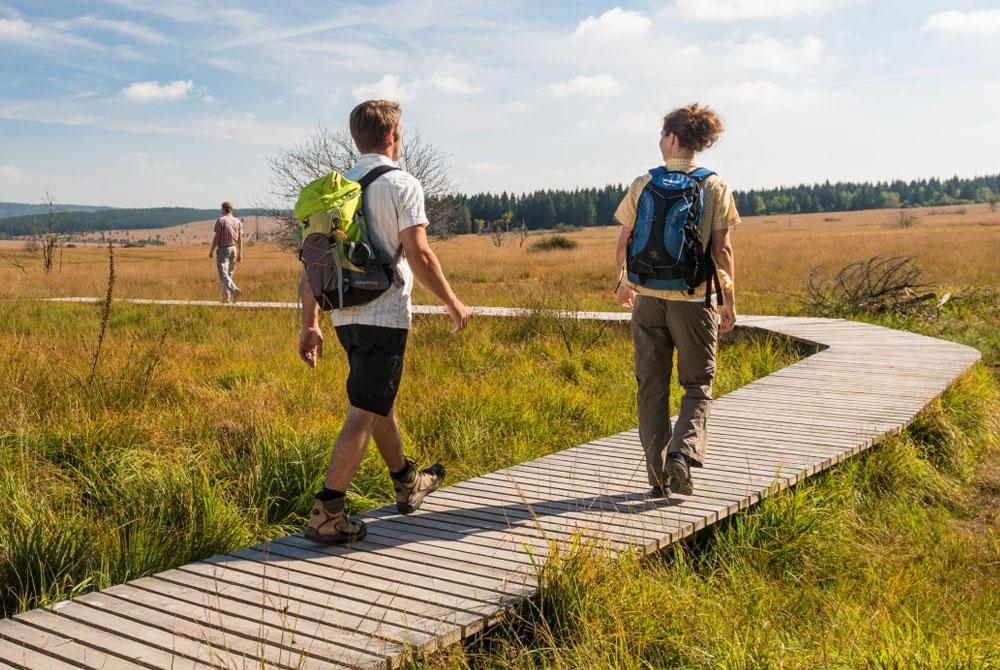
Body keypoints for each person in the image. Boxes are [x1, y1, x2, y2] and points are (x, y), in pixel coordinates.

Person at [298, 99, 469, 545]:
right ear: (393, 136)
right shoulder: (402, 184)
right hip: (386, 315)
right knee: (364, 410)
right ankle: (328, 511)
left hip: (343, 315)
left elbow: (313, 263)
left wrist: (310, 322)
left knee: (378, 403)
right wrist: (452, 302)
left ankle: (406, 482)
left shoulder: (336, 188)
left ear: (357, 138)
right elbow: (419, 252)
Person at [614, 103, 739, 497]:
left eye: (661, 135)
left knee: (651, 386)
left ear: (670, 138)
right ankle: (682, 457)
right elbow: (723, 251)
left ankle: (658, 479)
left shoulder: (642, 184)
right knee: (698, 385)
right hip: (693, 300)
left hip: (647, 299)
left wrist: (623, 283)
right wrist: (729, 301)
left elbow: (624, 240)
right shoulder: (714, 185)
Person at [209, 201, 243, 303]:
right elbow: (240, 239)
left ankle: (235, 290)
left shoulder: (221, 220)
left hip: (223, 249)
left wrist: (211, 250)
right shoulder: (237, 221)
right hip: (234, 249)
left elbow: (217, 236)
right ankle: (226, 299)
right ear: (231, 209)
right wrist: (240, 253)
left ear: (223, 209)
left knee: (223, 274)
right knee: (229, 274)